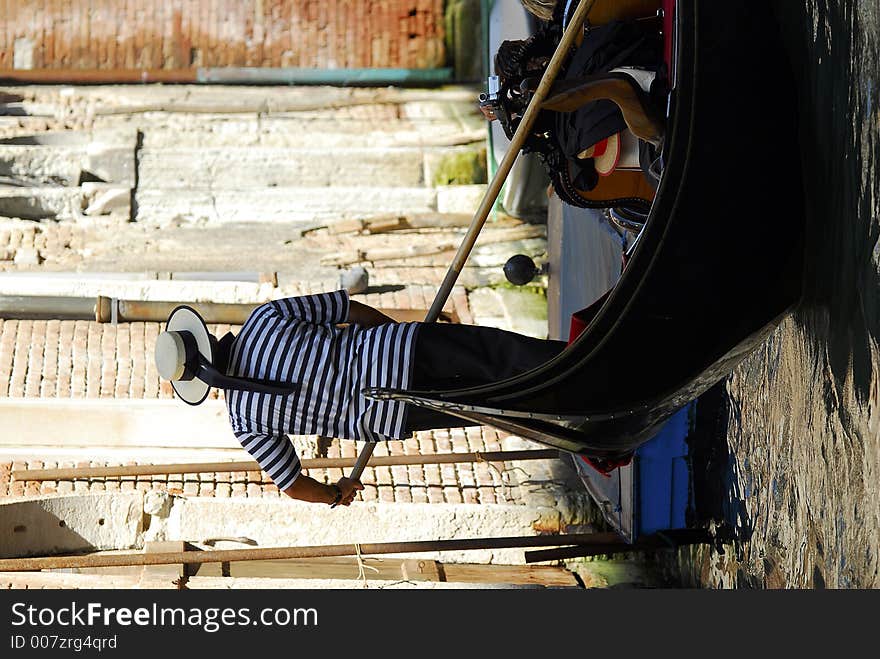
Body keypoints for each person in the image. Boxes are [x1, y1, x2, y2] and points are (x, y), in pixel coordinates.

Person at [154, 290, 566, 508]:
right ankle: (576, 365)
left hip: (393, 413)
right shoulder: (265, 318)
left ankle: (574, 411)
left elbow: (293, 486)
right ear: (206, 337)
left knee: (493, 409)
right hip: (401, 349)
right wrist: (401, 336)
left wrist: (336, 492)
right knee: (499, 356)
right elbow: (349, 309)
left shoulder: (245, 420)